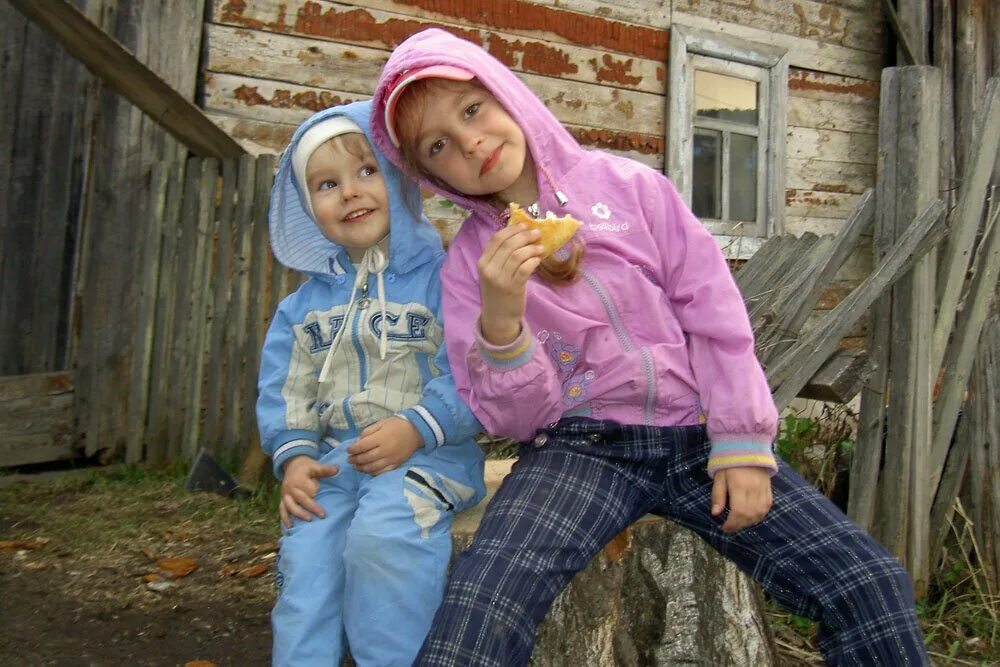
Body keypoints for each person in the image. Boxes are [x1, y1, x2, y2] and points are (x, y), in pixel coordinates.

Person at [368, 28, 928, 667]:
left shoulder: (633, 189)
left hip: (697, 440)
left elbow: (715, 316)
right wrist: (502, 322)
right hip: (579, 453)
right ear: (427, 173)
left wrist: (742, 442)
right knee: (480, 612)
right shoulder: (470, 263)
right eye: (438, 144)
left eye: (472, 110)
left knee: (870, 583)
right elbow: (516, 419)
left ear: (505, 94)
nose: (468, 141)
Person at [256, 99, 486, 667]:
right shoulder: (300, 308)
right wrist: (295, 459)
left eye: (366, 171)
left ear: (401, 180)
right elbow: (286, 390)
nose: (351, 192)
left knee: (382, 541)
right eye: (327, 184)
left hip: (428, 457)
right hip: (335, 465)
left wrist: (416, 428)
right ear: (309, 209)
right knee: (306, 557)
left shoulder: (447, 281)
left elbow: (476, 372)